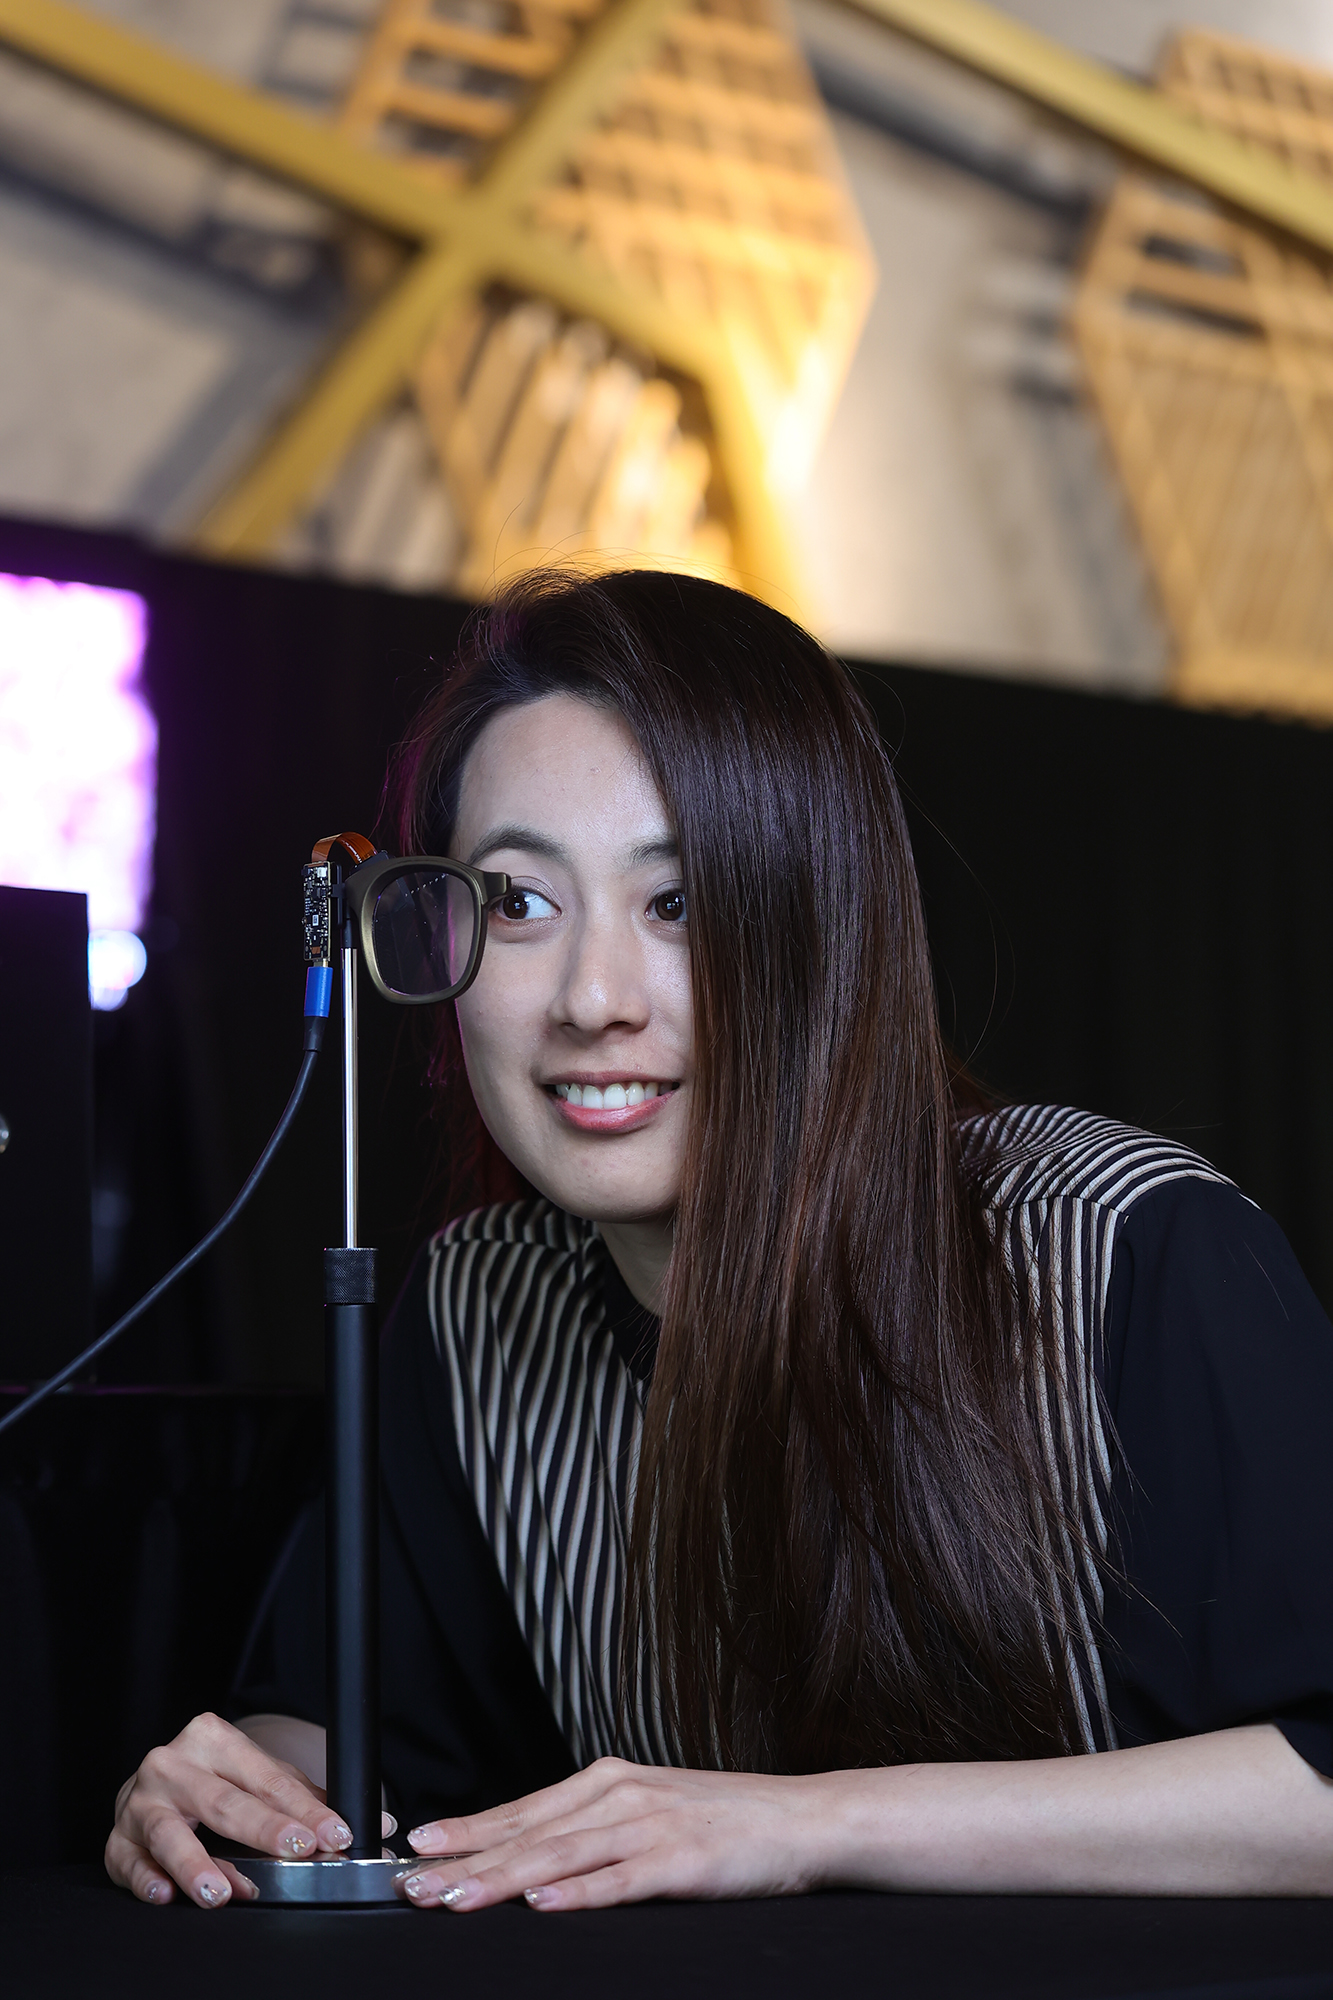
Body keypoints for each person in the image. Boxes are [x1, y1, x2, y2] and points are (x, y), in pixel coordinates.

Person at [106, 569, 1333, 1913]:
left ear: (824, 925)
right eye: (518, 903)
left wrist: (809, 1826)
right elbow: (357, 1728)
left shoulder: (1118, 1248)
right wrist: (237, 1795)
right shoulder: (475, 1312)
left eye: (677, 904)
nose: (591, 1000)